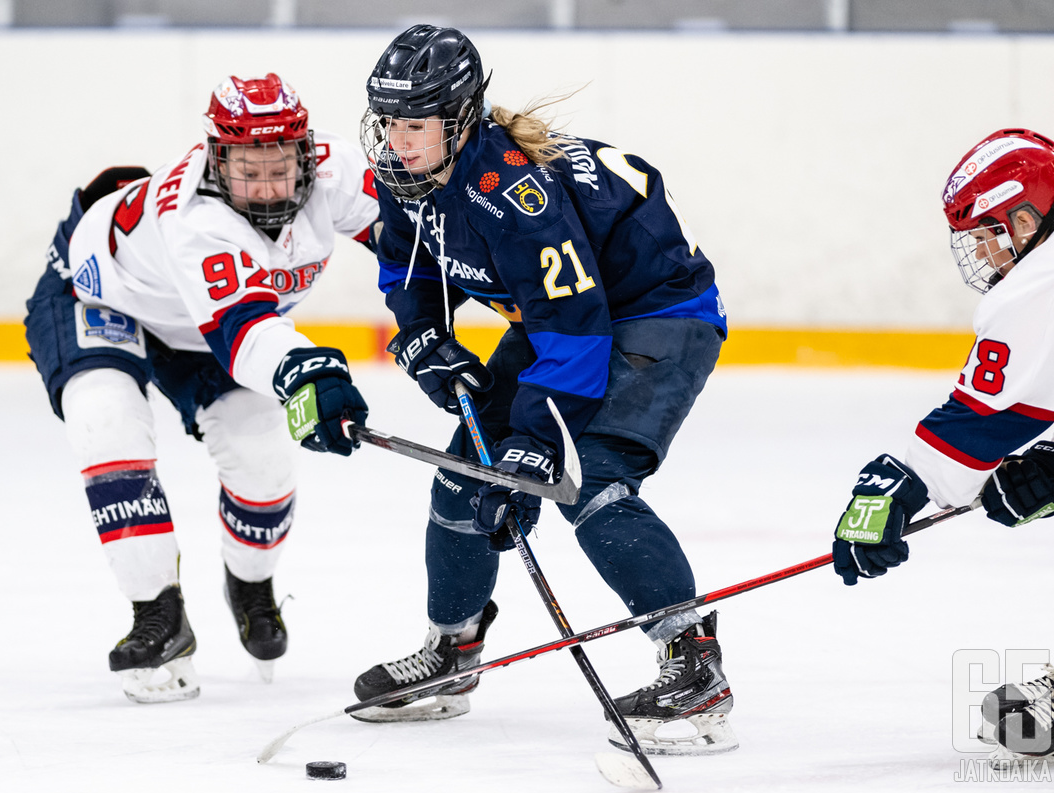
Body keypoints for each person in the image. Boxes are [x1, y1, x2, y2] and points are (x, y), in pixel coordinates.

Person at [298, 23, 734, 755]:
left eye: (414, 124)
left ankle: (693, 665)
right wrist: (422, 337)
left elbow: (578, 323)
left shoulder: (513, 195)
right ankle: (452, 654)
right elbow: (408, 260)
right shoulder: (412, 174)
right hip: (563, 320)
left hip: (658, 316)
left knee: (589, 479)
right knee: (463, 481)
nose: (397, 141)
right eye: (389, 122)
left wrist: (534, 444)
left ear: (460, 117)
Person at [23, 73, 376, 703]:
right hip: (102, 298)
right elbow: (244, 333)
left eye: (280, 168)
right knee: (105, 417)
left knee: (262, 455)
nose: (267, 188)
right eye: (247, 169)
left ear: (307, 155)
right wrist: (315, 372)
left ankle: (250, 584)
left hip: (200, 322)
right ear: (217, 160)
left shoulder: (337, 173)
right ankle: (157, 614)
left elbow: (417, 241)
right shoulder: (191, 218)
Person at [830, 128, 1054, 768]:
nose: (984, 251)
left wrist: (896, 485)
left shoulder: (1046, 278)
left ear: (1027, 215)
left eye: (990, 232)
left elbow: (980, 421)